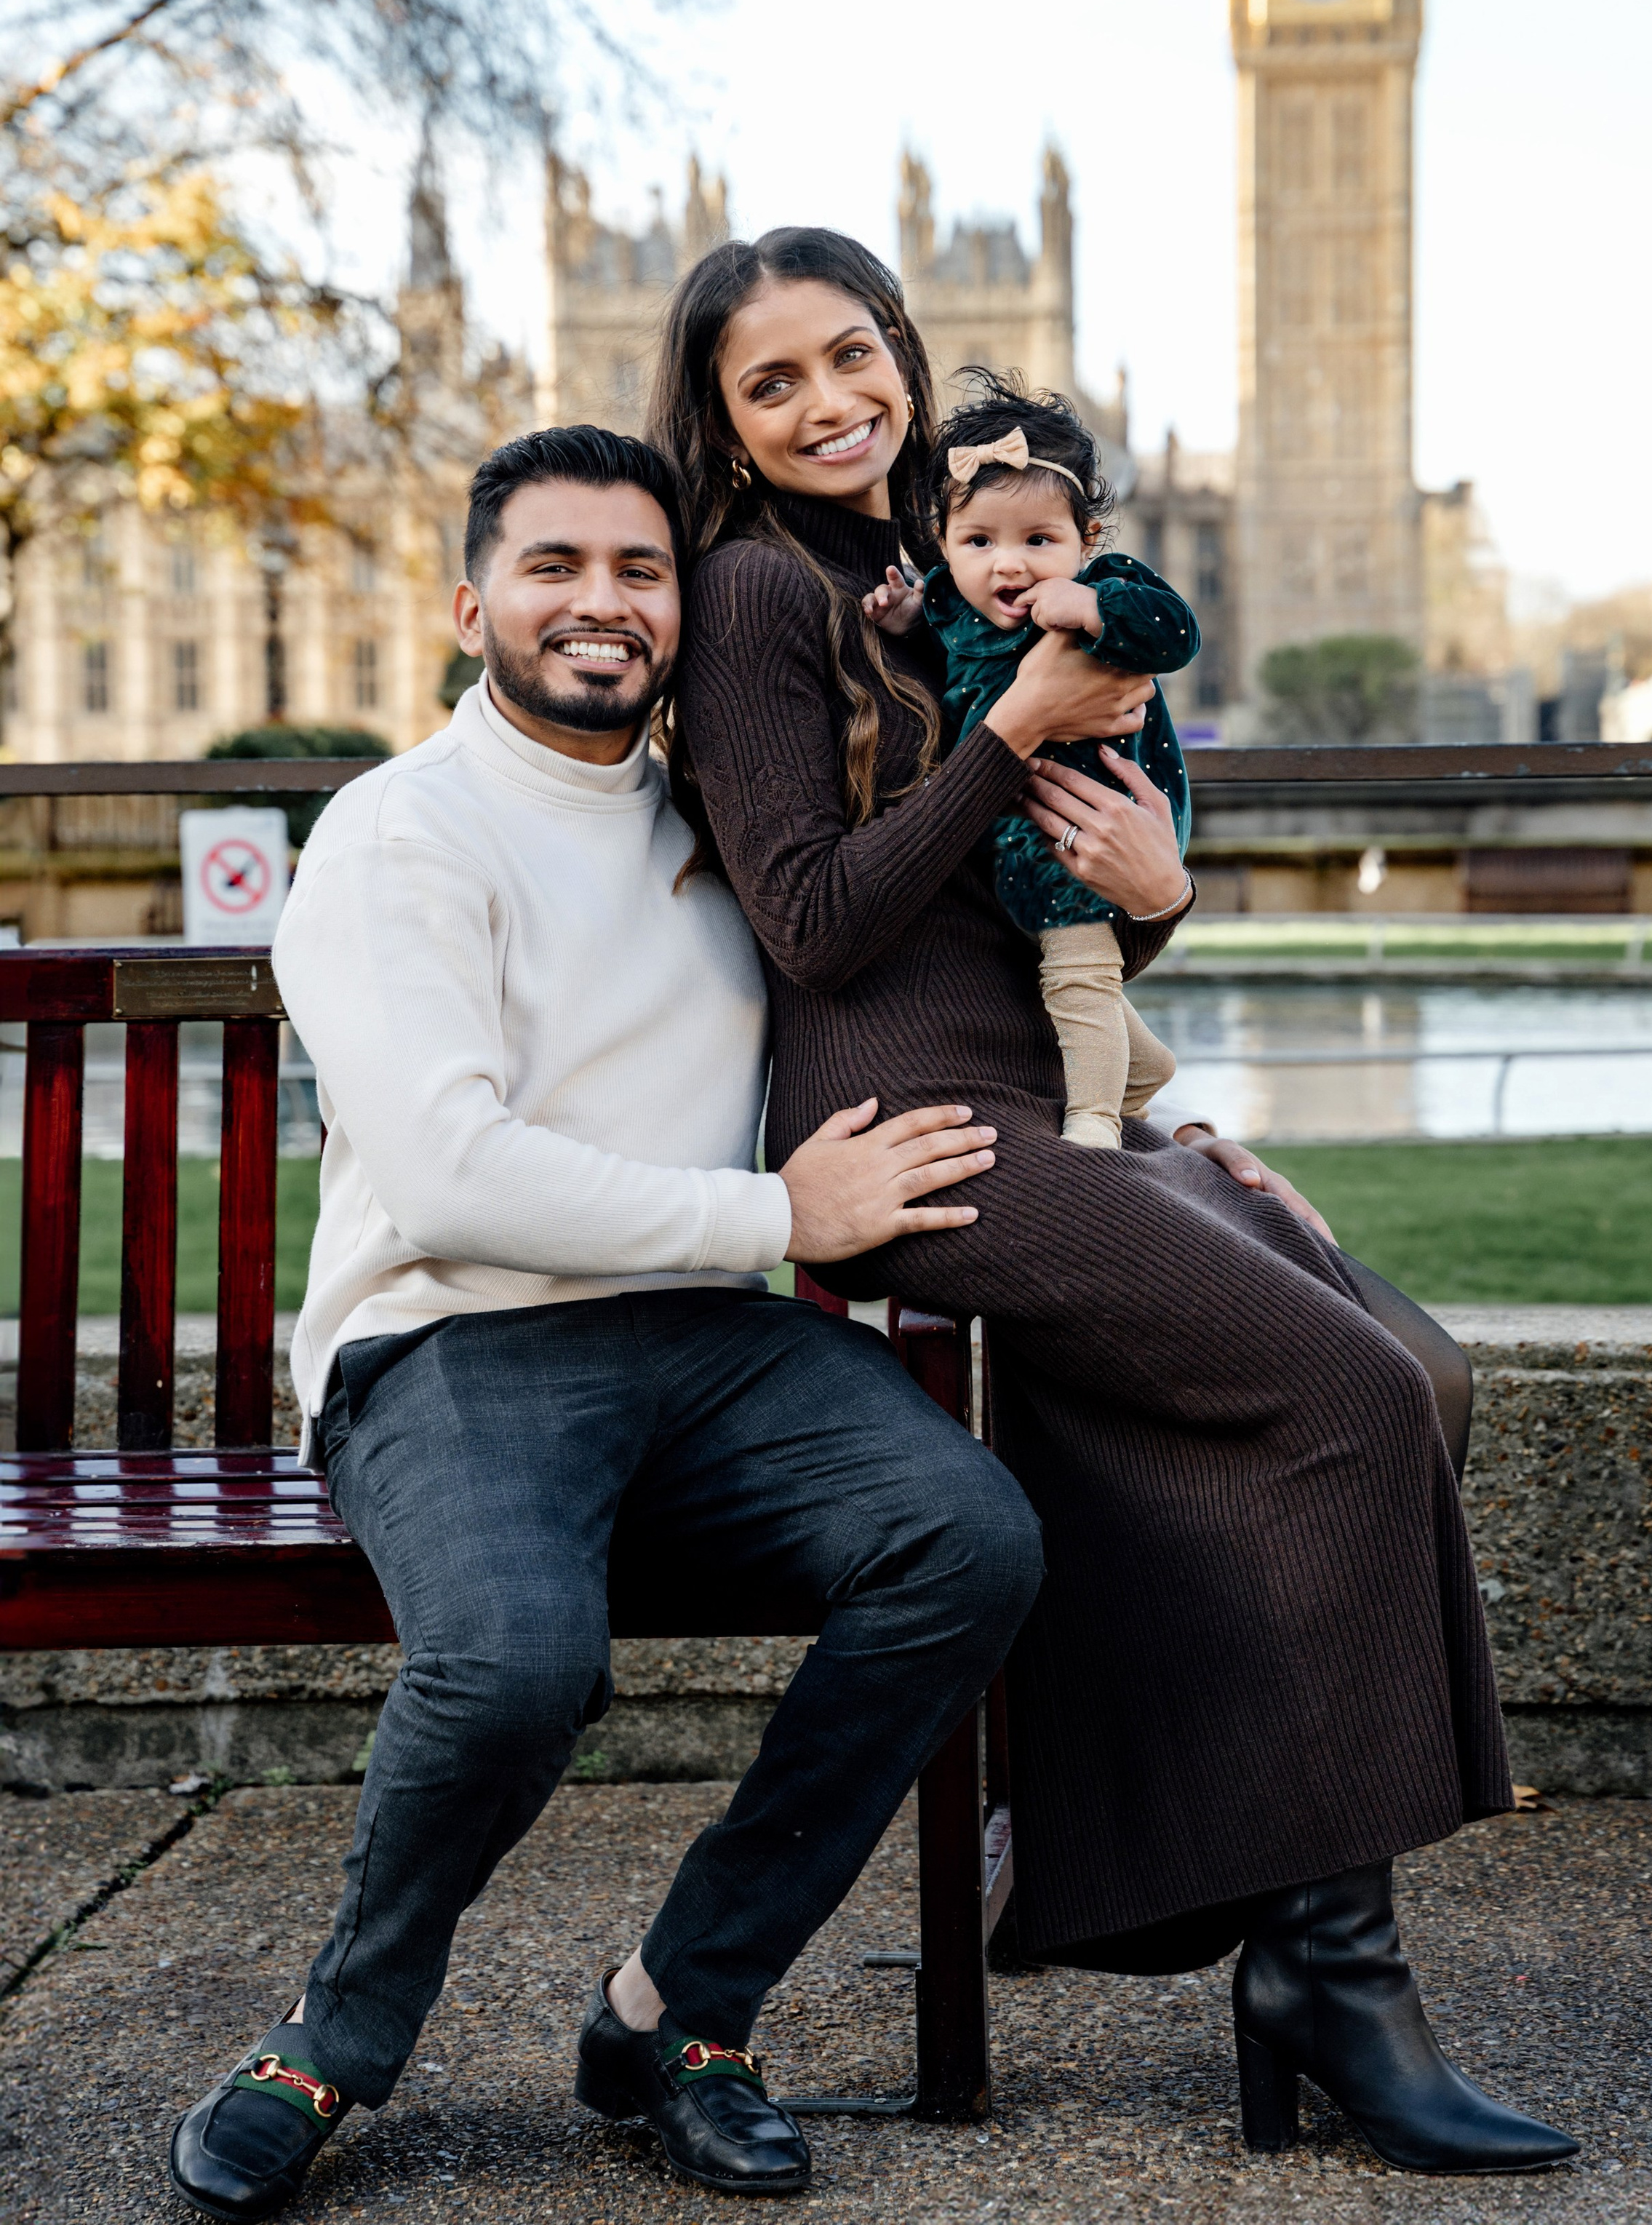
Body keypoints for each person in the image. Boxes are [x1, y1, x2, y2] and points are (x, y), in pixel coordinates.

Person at [652, 228, 1580, 2178]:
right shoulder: (753, 592)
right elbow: (819, 923)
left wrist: (1153, 894)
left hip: (1047, 1107)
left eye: (858, 356)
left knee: (1411, 1359)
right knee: (1335, 1398)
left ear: (906, 358)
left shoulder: (936, 569)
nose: (834, 403)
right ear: (723, 423)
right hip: (917, 1136)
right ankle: (1332, 1978)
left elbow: (1032, 910)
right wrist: (1009, 735)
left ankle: (1216, 1879)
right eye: (777, 384)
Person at [168, 424, 1045, 2221]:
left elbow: (961, 987)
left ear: (683, 606)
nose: (600, 602)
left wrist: (1167, 1127)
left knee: (968, 1536)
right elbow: (457, 1169)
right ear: (472, 594)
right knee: (511, 1659)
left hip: (706, 1342)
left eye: (638, 570)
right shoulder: (401, 827)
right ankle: (336, 2032)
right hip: (455, 1337)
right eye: (554, 564)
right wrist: (775, 1217)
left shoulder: (723, 832)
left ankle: (677, 2009)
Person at [863, 370, 1193, 1147]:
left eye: (1038, 541)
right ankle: (1142, 1069)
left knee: (1078, 974)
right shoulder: (952, 604)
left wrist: (1095, 609)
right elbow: (945, 677)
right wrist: (908, 620)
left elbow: (1176, 633)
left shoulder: (1108, 587)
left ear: (1088, 541)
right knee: (1062, 976)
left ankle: (1094, 1124)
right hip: (1002, 843)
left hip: (1083, 840)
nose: (1008, 565)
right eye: (979, 541)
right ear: (940, 545)